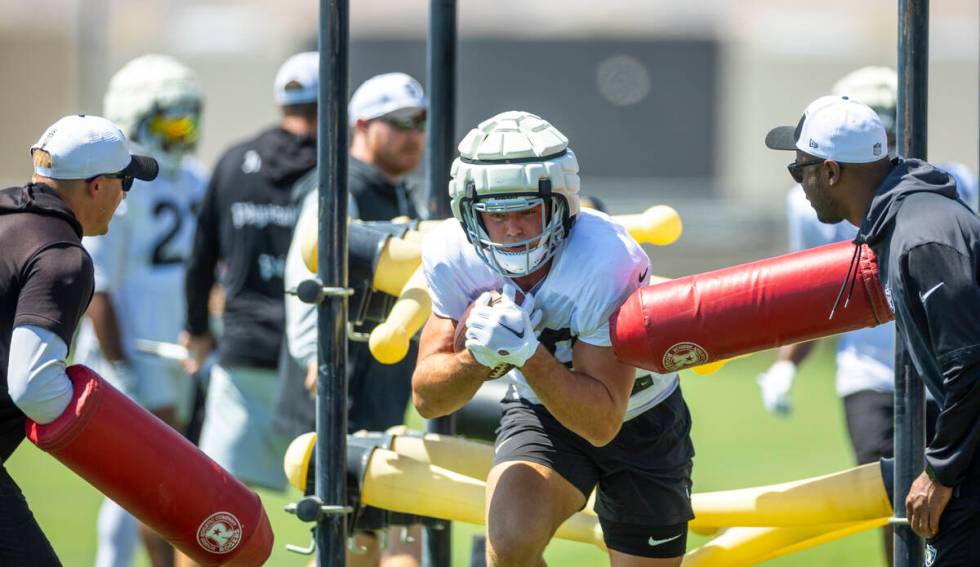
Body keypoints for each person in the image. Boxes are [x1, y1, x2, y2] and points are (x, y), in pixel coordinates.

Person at [412, 111, 694, 566]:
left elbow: (602, 422)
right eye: (493, 214)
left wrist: (526, 352)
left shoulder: (605, 259)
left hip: (639, 416)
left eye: (525, 210)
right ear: (469, 214)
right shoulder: (453, 254)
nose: (512, 229)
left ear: (560, 204)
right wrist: (479, 359)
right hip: (540, 414)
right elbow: (428, 397)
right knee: (509, 544)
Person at [756, 67, 977, 564]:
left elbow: (970, 362)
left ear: (832, 172)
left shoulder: (921, 235)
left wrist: (941, 471)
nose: (799, 183)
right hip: (920, 408)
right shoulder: (905, 219)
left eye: (801, 168)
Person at [64, 55, 208, 567]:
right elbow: (99, 286)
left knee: (148, 482)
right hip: (130, 353)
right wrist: (119, 365)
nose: (182, 131)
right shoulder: (118, 184)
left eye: (188, 118)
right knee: (136, 483)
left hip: (176, 353)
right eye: (171, 118)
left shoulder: (194, 178)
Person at [282, 71, 426, 567]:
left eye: (420, 121)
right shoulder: (337, 189)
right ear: (361, 125)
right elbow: (304, 276)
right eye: (400, 122)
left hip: (378, 380)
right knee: (347, 531)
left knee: (374, 525)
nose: (415, 134)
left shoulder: (397, 190)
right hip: (342, 382)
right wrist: (315, 360)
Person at [0, 115, 158, 566]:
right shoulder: (62, 259)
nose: (125, 194)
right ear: (95, 186)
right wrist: (120, 441)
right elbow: (33, 386)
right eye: (124, 180)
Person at [182, 52, 316, 494]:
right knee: (349, 517)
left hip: (243, 356)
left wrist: (198, 331)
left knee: (210, 510)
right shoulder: (341, 171)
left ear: (282, 104)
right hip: (317, 364)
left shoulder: (233, 161)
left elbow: (199, 260)